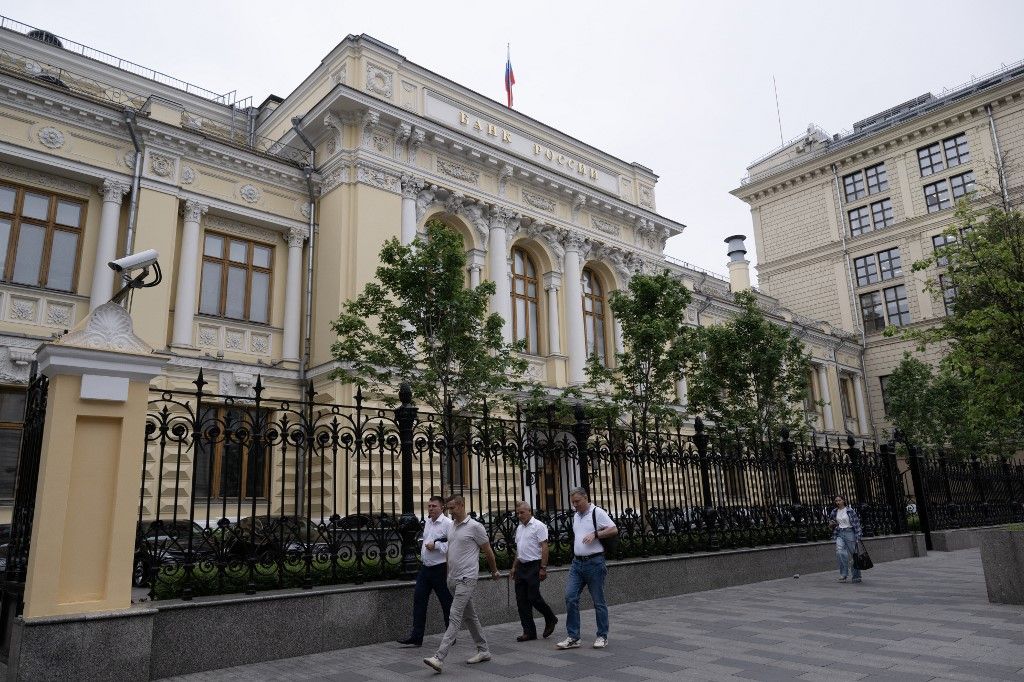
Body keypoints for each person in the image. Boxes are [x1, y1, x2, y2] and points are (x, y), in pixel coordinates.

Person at [423, 495, 501, 674]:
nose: (450, 512)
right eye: (448, 508)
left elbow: (487, 550)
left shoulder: (475, 527)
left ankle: (439, 657)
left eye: (452, 508)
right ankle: (483, 650)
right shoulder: (452, 527)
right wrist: (448, 575)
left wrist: (494, 570)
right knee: (470, 617)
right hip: (453, 579)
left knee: (455, 616)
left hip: (467, 578)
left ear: (461, 505)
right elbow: (450, 552)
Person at [556, 487, 617, 651]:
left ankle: (602, 636)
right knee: (570, 597)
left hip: (595, 563)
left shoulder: (597, 512)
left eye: (577, 501)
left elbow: (613, 528)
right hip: (577, 564)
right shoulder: (576, 515)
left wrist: (596, 534)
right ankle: (573, 637)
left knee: (598, 601)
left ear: (586, 498)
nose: (575, 505)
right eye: (573, 503)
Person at [398, 496, 453, 646]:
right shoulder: (428, 521)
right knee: (419, 600)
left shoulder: (448, 524)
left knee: (446, 602)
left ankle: (451, 635)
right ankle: (417, 636)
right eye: (429, 506)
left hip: (440, 568)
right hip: (425, 568)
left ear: (442, 508)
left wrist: (435, 546)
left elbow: (451, 546)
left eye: (434, 506)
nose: (430, 509)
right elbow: (427, 539)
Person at [510, 501, 558, 642]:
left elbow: (544, 547)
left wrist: (543, 568)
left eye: (522, 512)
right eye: (517, 513)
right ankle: (529, 632)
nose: (519, 515)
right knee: (521, 601)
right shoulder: (519, 528)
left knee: (533, 597)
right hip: (521, 566)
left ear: (529, 511)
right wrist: (514, 567)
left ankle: (550, 617)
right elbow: (519, 550)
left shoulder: (539, 526)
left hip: (534, 565)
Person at [829, 494, 863, 584]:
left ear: (843, 500)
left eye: (839, 500)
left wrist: (858, 535)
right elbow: (831, 521)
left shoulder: (850, 510)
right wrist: (832, 524)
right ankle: (844, 574)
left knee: (854, 555)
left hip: (850, 532)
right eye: (836, 501)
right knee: (840, 552)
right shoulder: (834, 511)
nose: (838, 502)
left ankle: (856, 576)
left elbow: (856, 523)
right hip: (840, 532)